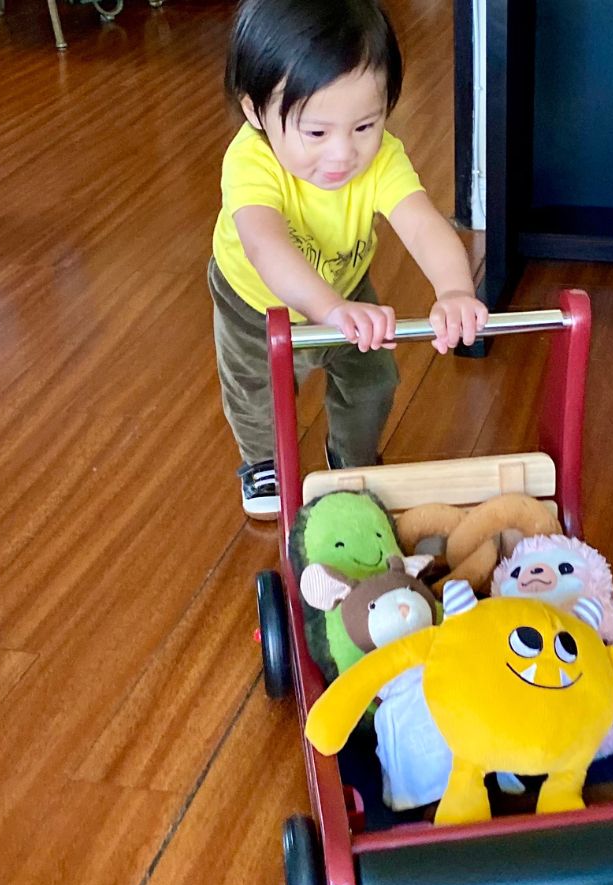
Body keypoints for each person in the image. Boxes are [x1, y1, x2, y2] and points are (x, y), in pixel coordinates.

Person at [210, 0, 488, 519]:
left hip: (347, 289)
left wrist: (454, 289)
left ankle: (352, 459)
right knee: (257, 389)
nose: (343, 154)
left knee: (374, 380)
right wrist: (330, 309)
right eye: (316, 132)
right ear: (254, 112)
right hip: (253, 299)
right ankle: (263, 460)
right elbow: (266, 247)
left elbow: (426, 226)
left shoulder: (382, 159)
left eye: (365, 125)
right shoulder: (250, 160)